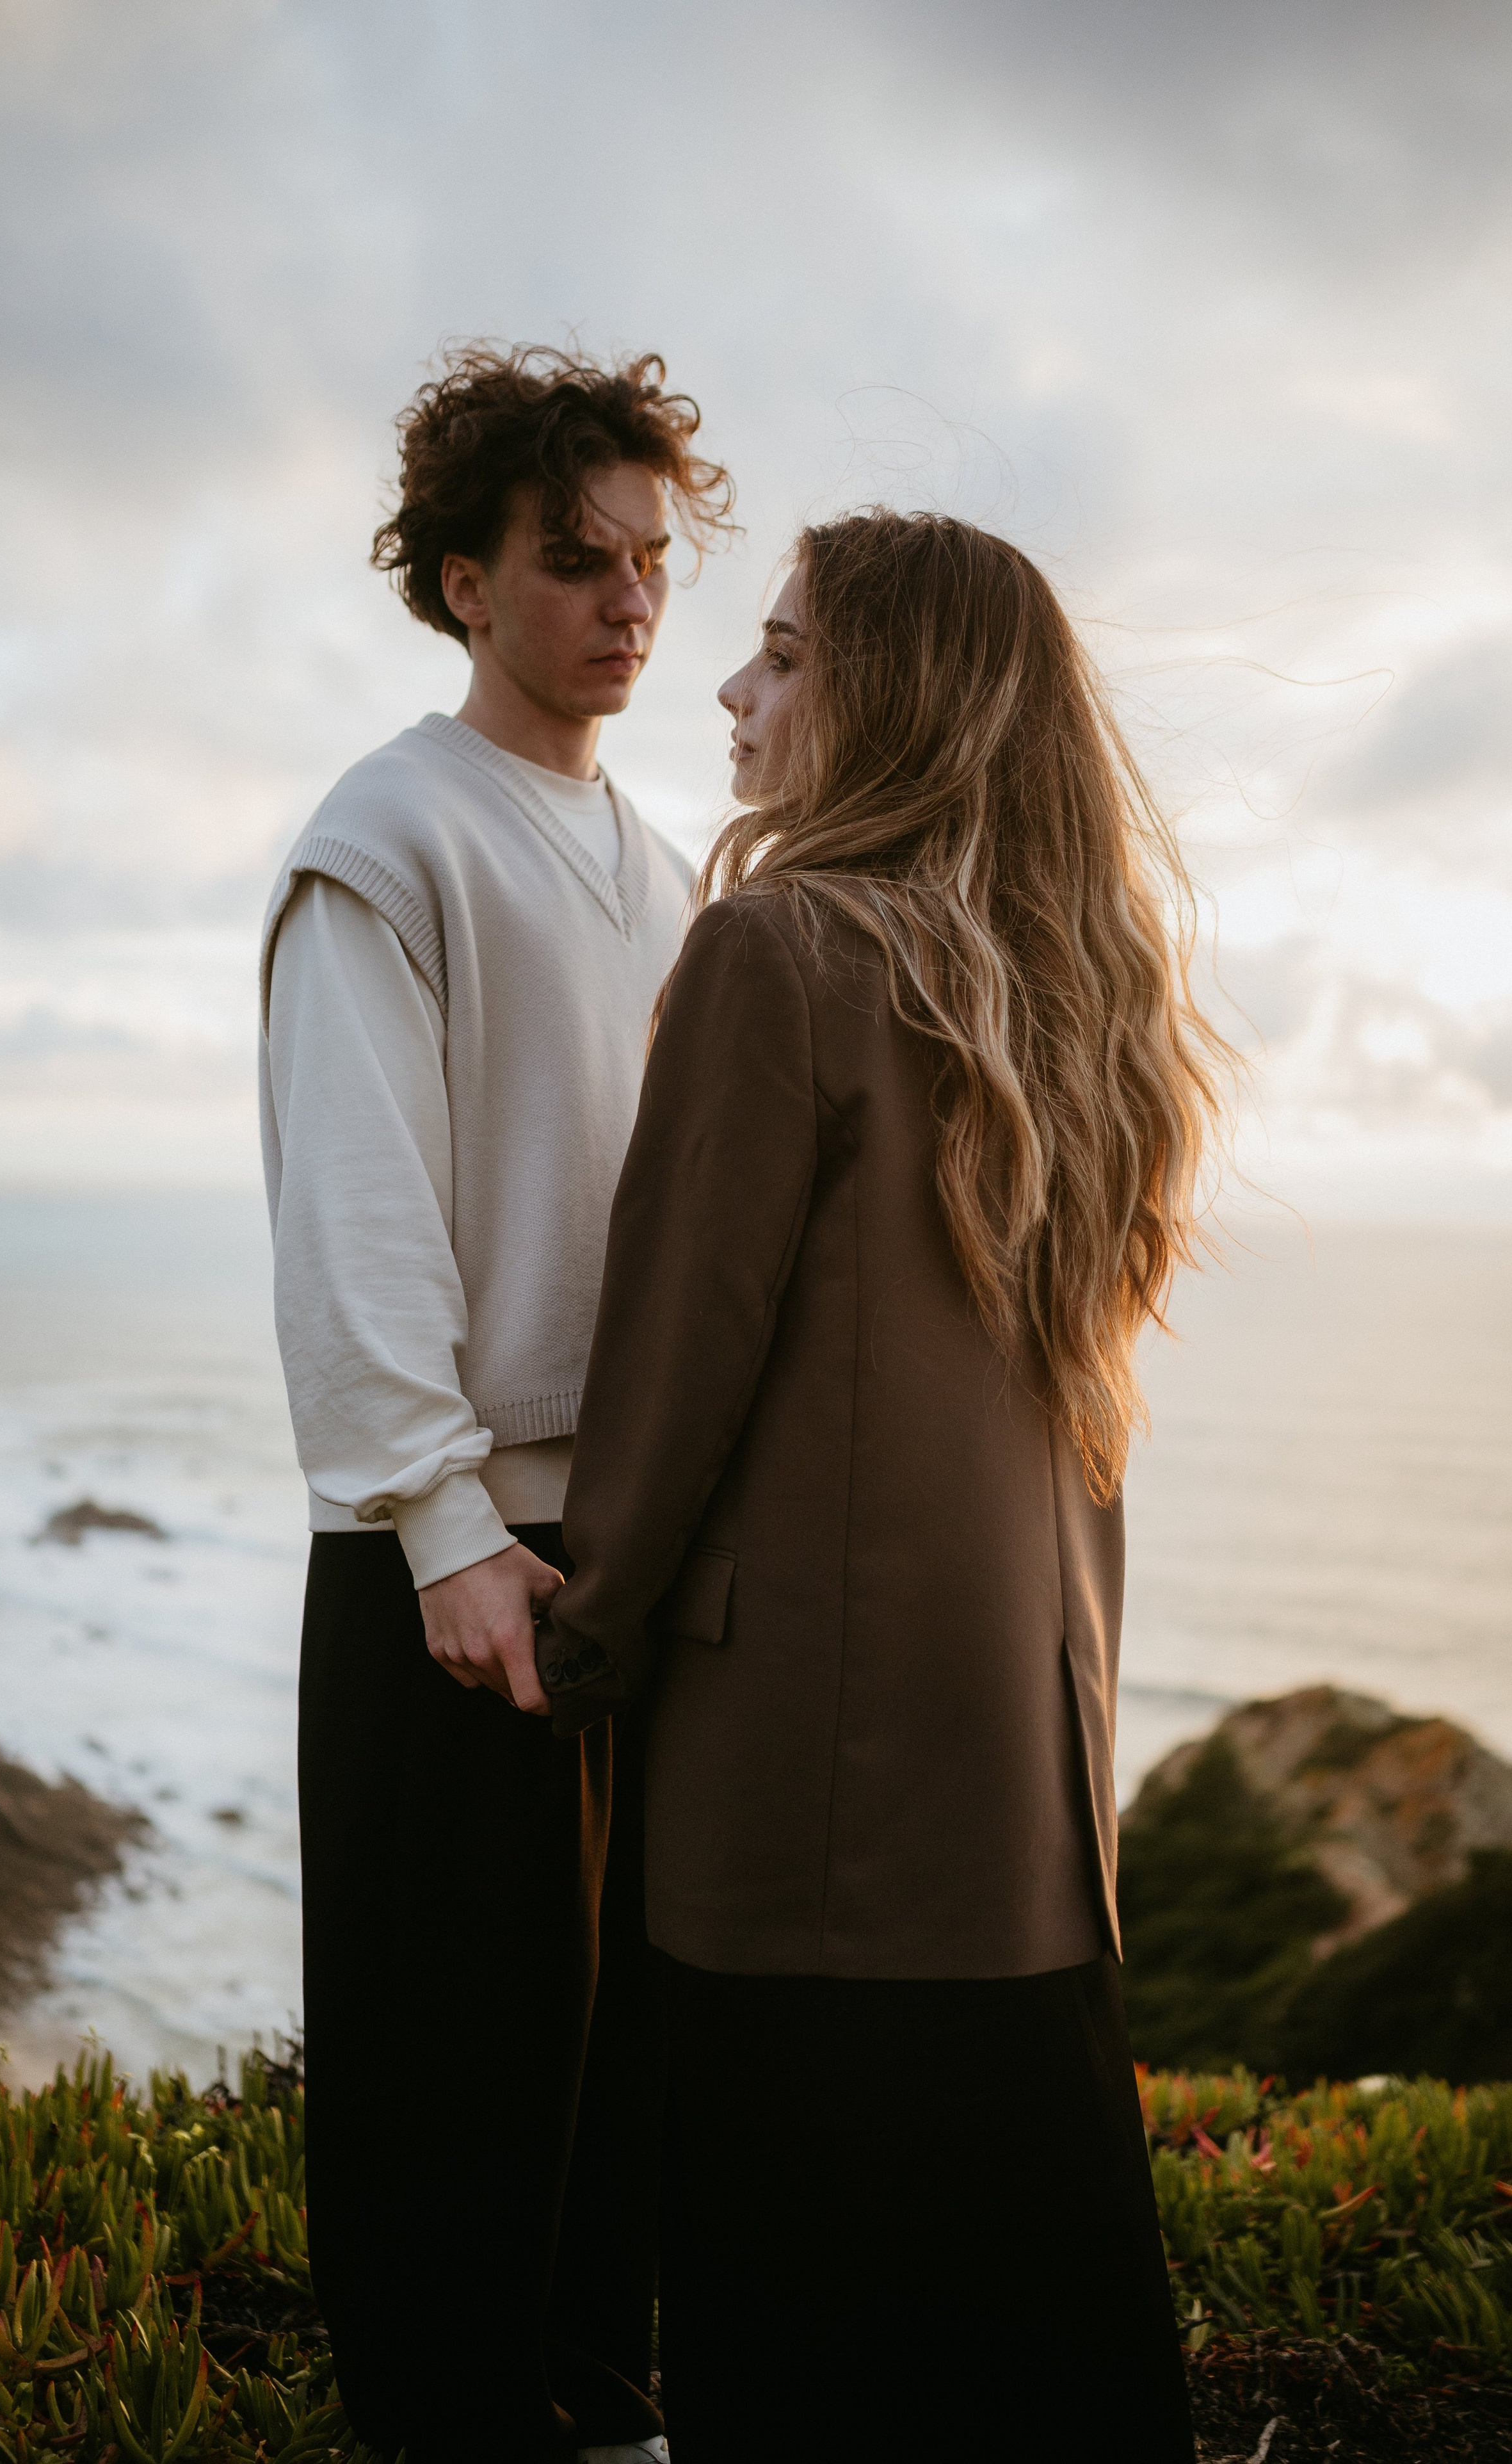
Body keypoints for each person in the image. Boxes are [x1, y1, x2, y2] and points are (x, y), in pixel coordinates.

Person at [537, 512, 1230, 2463]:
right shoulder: (1082, 991)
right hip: (1025, 1804)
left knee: (802, 2352)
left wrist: (571, 1641)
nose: (734, 691)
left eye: (780, 655)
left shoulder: (778, 950)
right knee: (1040, 2344)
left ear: (896, 700)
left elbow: (671, 1376)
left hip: (802, 1813)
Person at [259, 344, 732, 2464]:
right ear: (463, 581)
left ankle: (601, 2408)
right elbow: (354, 1202)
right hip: (456, 1572)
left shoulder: (668, 854)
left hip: (628, 1542)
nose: (630, 604)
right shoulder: (387, 833)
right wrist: (444, 1523)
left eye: (651, 561)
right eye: (575, 562)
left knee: (623, 2050)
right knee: (446, 2065)